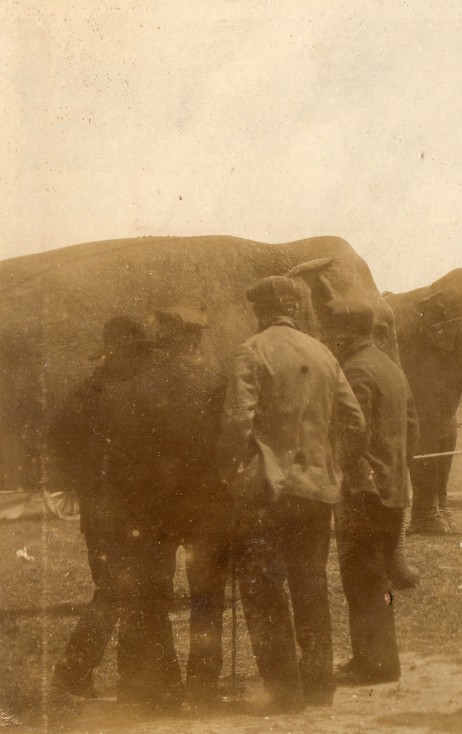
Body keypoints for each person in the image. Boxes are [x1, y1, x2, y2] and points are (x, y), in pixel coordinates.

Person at [219, 276, 365, 712]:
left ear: (262, 310)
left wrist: (234, 472)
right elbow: (355, 422)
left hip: (268, 492)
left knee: (263, 587)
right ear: (297, 309)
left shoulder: (252, 350)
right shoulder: (323, 354)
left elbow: (235, 424)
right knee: (310, 583)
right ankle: (320, 687)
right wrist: (332, 463)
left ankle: (283, 691)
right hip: (318, 492)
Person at [50, 317, 157, 698]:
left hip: (127, 509)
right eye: (135, 353)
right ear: (114, 354)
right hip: (108, 511)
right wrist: (87, 479)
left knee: (130, 590)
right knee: (115, 590)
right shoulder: (90, 394)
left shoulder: (127, 389)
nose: (142, 361)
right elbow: (59, 443)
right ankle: (73, 670)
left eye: (144, 353)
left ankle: (127, 677)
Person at [323, 300, 418, 685]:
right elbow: (413, 429)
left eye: (332, 333)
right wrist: (396, 469)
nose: (329, 339)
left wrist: (343, 470)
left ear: (345, 333)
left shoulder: (356, 370)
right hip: (392, 488)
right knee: (378, 581)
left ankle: (374, 665)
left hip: (364, 492)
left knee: (364, 580)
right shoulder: (390, 367)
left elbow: (353, 429)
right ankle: (379, 658)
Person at [151, 306, 231, 707]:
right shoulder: (216, 381)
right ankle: (202, 683)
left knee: (153, 594)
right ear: (196, 338)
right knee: (207, 596)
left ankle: (162, 683)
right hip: (205, 502)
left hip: (159, 505)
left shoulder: (146, 382)